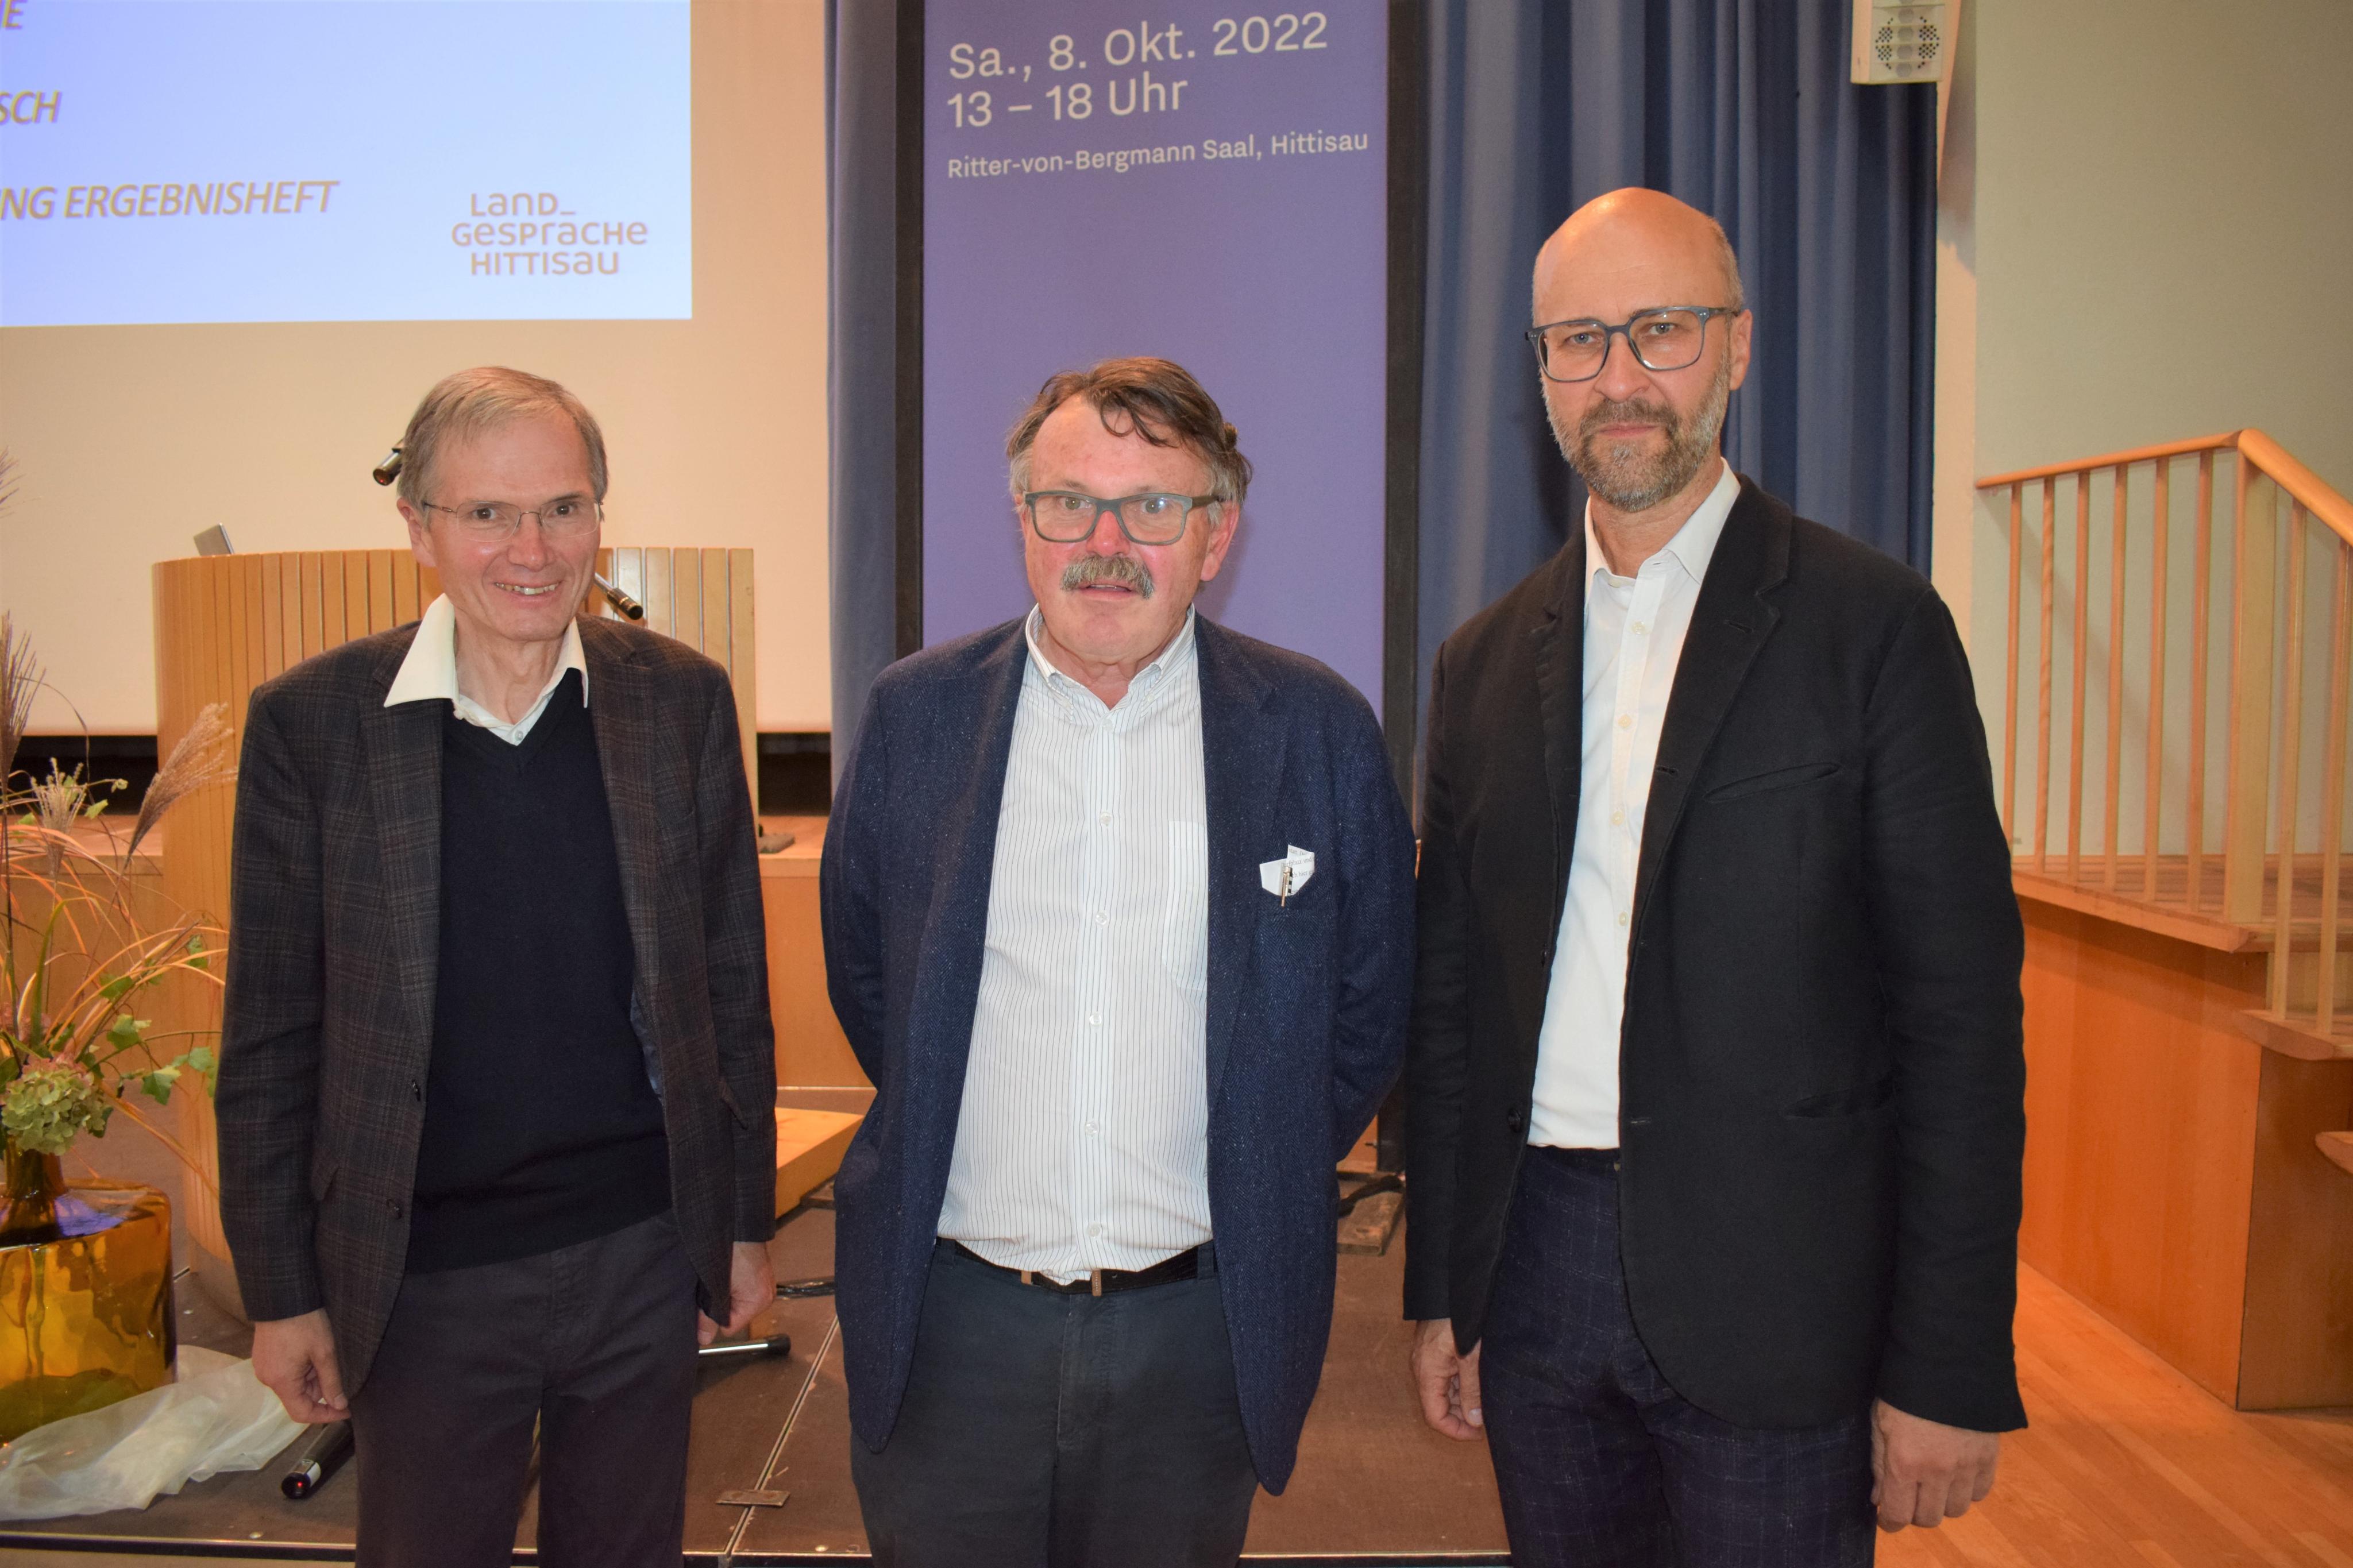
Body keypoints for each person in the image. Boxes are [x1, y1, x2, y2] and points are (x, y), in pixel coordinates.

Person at [1403, 188, 2027, 1566]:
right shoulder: (1480, 664)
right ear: (1540, 373)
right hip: (1537, 1278)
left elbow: (1959, 1025)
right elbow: (1450, 1012)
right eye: (1578, 341)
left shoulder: (1873, 630)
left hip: (1782, 1288)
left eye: (1661, 330)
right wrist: (1443, 1288)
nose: (1618, 377)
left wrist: (1945, 1363)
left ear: (1736, 347)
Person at [821, 356, 1415, 1567]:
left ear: (1216, 534)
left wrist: (1259, 1158)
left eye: (1151, 507)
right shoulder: (915, 716)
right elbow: (869, 978)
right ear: (1022, 519)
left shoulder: (1316, 730)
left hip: (1197, 1341)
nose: (1105, 543)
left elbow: (1367, 1014)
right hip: (951, 1328)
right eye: (1068, 503)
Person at [217, 366, 778, 1567]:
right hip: (423, 1276)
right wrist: (280, 1290)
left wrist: (737, 1220)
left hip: (639, 1253)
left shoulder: (679, 701)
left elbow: (730, 988)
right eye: (488, 514)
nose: (534, 549)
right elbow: (269, 1037)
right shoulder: (314, 724)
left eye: (563, 509)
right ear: (418, 528)